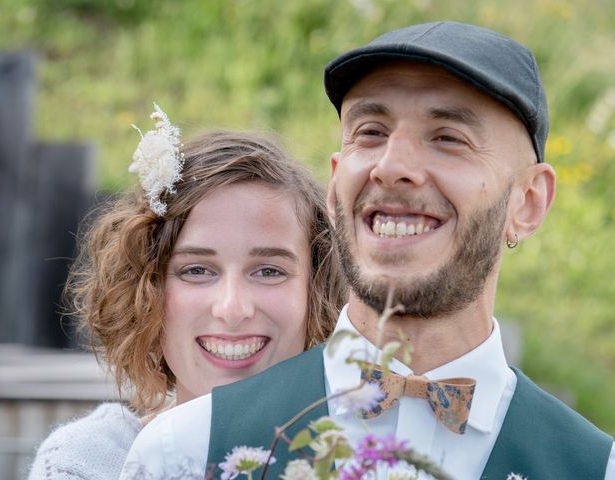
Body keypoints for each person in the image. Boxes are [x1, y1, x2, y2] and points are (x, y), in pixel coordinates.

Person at [120, 22, 615, 480]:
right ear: (335, 187)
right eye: (371, 132)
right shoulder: (182, 452)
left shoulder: (598, 468)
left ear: (527, 203)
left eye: (448, 137)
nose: (392, 165)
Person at [27, 107, 346, 480]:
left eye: (268, 271)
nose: (232, 309)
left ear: (317, 288)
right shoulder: (88, 463)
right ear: (146, 288)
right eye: (196, 270)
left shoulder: (366, 456)